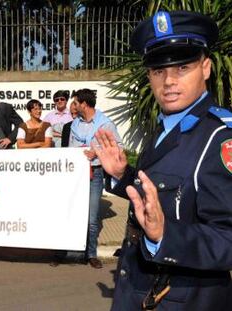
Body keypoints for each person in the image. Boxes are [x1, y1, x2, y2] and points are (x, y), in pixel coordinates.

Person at [92, 11, 232, 310]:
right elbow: (158, 194)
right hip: (139, 291)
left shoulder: (220, 139)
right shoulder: (164, 127)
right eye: (158, 70)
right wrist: (123, 174)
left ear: (205, 68)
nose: (168, 81)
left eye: (182, 67)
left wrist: (166, 235)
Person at [69, 88, 122, 269]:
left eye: (76, 103)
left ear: (84, 104)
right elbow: (71, 148)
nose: (74, 106)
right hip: (77, 175)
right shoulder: (75, 124)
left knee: (91, 218)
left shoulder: (105, 124)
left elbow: (119, 146)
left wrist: (97, 154)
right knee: (75, 214)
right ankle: (73, 250)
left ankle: (91, 254)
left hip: (96, 174)